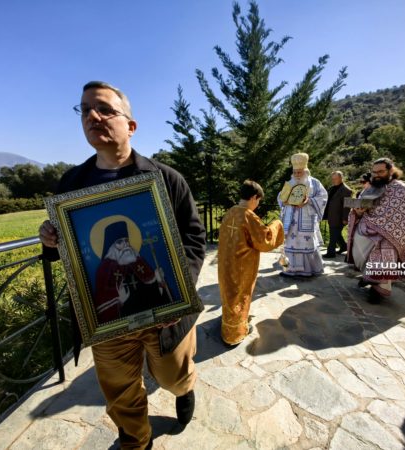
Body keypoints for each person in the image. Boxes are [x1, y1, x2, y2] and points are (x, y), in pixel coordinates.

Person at [39, 81, 206, 449]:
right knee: (119, 388)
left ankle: (184, 388)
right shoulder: (72, 184)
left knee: (173, 374)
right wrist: (50, 241)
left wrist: (177, 290)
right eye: (85, 110)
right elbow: (71, 251)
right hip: (108, 319)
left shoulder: (165, 179)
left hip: (166, 313)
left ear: (130, 126)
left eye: (104, 109)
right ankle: (135, 438)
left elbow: (194, 239)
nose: (92, 116)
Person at [347, 158, 405, 303]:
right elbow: (359, 208)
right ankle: (369, 277)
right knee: (359, 248)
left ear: (390, 171)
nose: (376, 175)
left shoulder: (402, 189)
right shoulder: (370, 188)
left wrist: (388, 227)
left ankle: (379, 290)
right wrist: (358, 211)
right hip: (366, 229)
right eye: (374, 172)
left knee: (385, 253)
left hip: (391, 233)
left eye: (380, 172)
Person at [218, 180, 284, 346]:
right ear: (254, 197)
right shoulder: (248, 216)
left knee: (229, 294)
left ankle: (228, 325)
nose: (258, 204)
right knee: (240, 295)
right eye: (258, 200)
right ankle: (234, 333)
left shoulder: (230, 212)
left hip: (226, 263)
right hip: (241, 266)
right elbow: (264, 240)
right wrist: (277, 224)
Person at [95, 221, 170, 323]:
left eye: (126, 240)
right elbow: (104, 308)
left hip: (153, 319)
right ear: (111, 247)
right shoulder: (105, 269)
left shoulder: (138, 261)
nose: (125, 244)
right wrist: (120, 302)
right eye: (120, 242)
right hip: (127, 325)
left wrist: (159, 282)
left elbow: (156, 297)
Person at [277, 153, 328, 277]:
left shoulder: (315, 183)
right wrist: (284, 201)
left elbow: (323, 197)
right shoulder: (290, 183)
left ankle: (309, 270)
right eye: (295, 172)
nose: (297, 174)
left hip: (306, 219)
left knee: (307, 244)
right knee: (291, 244)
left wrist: (308, 201)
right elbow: (280, 196)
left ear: (305, 170)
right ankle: (290, 269)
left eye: (299, 172)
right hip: (290, 221)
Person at [322, 171, 353, 258]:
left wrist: (345, 218)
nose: (333, 180)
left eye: (335, 178)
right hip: (331, 215)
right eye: (332, 179)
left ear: (341, 178)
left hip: (339, 217)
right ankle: (343, 246)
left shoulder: (346, 190)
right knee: (336, 233)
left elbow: (347, 206)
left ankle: (330, 252)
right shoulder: (332, 188)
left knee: (333, 234)